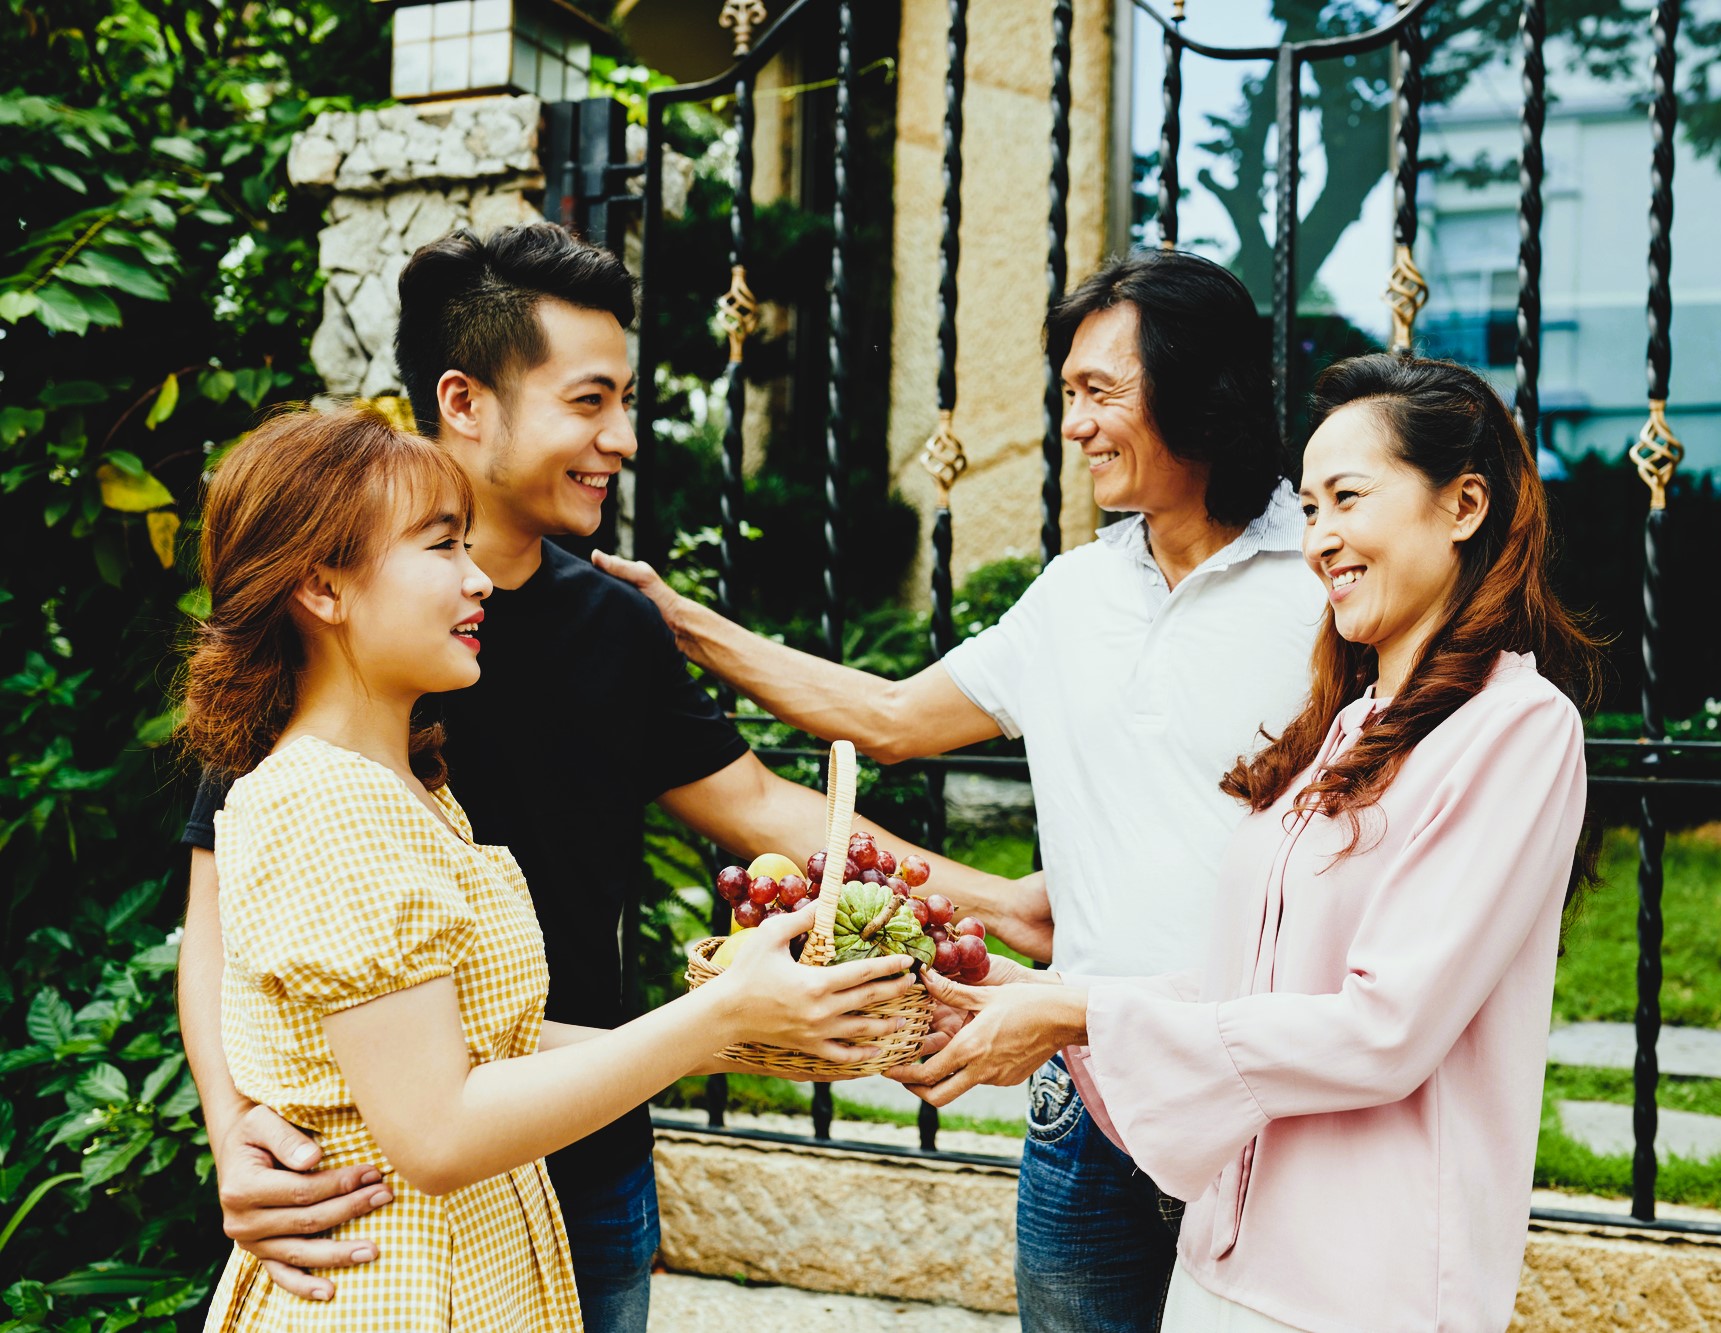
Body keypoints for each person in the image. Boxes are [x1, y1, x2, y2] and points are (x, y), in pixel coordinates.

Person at [173, 223, 1040, 1333]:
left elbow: (768, 809)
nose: (621, 437)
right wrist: (238, 1123)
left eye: (626, 401)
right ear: (466, 400)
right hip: (384, 1202)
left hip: (581, 1164)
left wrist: (999, 903)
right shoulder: (326, 719)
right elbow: (225, 925)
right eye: (588, 402)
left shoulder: (609, 628)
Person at [594, 248, 1325, 1332]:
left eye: (1097, 394)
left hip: (1263, 1095)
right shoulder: (1076, 592)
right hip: (1087, 1102)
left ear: (1196, 387)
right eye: (1066, 394)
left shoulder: (1323, 576)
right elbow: (889, 721)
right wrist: (685, 623)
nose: (1072, 425)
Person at [896, 353, 1603, 1332]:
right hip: (1228, 1254)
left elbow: (1381, 1030)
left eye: (1346, 498)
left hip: (1364, 1290)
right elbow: (1251, 994)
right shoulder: (1345, 729)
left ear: (1464, 504)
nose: (1320, 539)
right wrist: (1057, 1007)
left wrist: (1087, 1012)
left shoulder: (1515, 730)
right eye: (1308, 509)